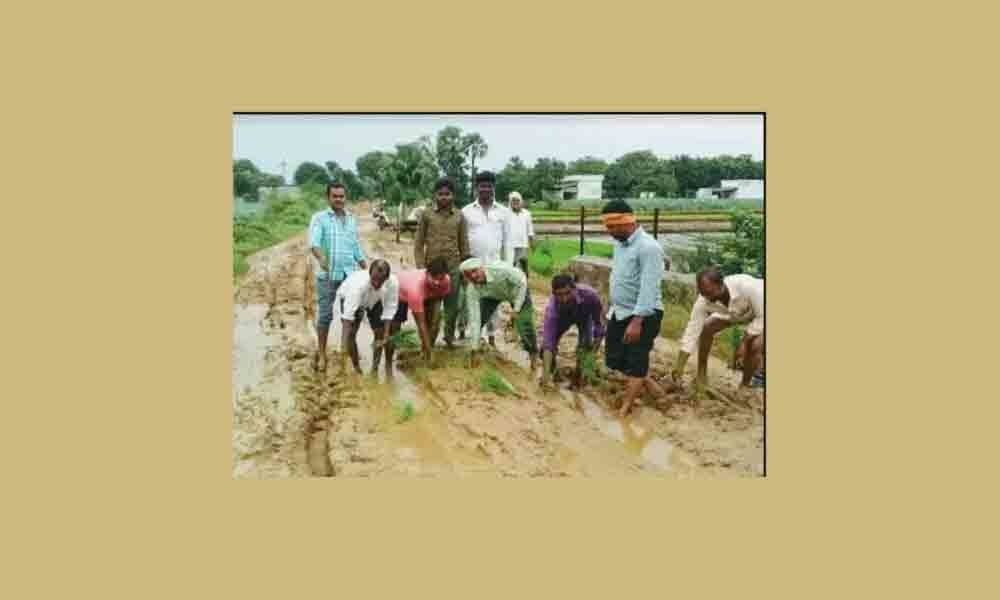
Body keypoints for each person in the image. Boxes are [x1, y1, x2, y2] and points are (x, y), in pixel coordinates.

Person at [601, 199, 667, 417]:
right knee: (613, 358)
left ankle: (625, 408)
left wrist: (637, 321)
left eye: (612, 226)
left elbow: (649, 287)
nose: (608, 231)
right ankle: (646, 381)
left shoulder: (649, 248)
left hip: (643, 314)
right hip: (619, 311)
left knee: (637, 361)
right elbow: (618, 277)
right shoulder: (620, 244)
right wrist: (610, 306)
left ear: (626, 221)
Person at [671, 266, 764, 406]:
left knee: (755, 345)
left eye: (709, 292)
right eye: (702, 293)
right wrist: (679, 366)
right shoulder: (704, 300)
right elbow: (692, 332)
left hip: (761, 312)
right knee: (707, 327)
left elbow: (762, 317)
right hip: (734, 313)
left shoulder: (749, 287)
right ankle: (702, 374)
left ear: (721, 284)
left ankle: (744, 385)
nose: (706, 297)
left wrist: (744, 342)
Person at [309, 182, 367, 372]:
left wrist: (364, 266)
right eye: (335, 196)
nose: (339, 199)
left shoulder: (351, 218)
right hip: (327, 275)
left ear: (345, 197)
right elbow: (314, 243)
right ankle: (322, 353)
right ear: (328, 197)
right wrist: (321, 258)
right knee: (325, 316)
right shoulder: (320, 218)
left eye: (341, 196)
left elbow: (355, 245)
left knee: (351, 315)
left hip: (349, 275)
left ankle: (349, 351)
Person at [413, 178, 470, 349]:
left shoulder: (460, 216)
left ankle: (449, 339)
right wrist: (421, 268)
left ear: (453, 196)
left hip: (453, 269)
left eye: (448, 194)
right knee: (431, 308)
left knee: (452, 308)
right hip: (431, 271)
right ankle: (428, 342)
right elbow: (418, 244)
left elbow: (464, 245)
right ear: (435, 195)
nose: (444, 197)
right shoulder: (427, 215)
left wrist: (465, 271)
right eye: (441, 194)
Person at [459, 258, 538, 371]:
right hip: (492, 296)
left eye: (475, 271)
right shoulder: (472, 289)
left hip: (516, 292)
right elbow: (474, 319)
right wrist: (474, 349)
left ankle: (533, 356)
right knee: (479, 319)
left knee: (524, 325)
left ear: (482, 268)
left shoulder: (500, 270)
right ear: (466, 277)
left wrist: (516, 310)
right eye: (469, 275)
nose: (473, 276)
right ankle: (475, 348)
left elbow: (522, 281)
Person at [461, 171, 511, 347]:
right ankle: (472, 337)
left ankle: (490, 338)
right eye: (482, 186)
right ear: (476, 188)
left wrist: (508, 267)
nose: (485, 189)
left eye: (489, 186)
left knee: (492, 304)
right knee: (472, 303)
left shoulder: (504, 212)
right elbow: (462, 241)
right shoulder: (466, 212)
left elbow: (507, 242)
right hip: (473, 266)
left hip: (495, 265)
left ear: (493, 188)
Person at [539, 274, 606, 388]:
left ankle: (577, 380)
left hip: (584, 318)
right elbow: (548, 342)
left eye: (567, 293)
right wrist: (545, 377)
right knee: (545, 352)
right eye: (559, 295)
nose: (564, 299)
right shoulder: (552, 309)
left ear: (574, 289)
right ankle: (553, 374)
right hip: (562, 318)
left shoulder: (591, 296)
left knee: (585, 348)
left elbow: (599, 326)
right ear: (554, 294)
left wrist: (592, 354)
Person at [334, 260, 399, 378]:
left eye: (381, 280)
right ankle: (356, 367)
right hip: (351, 298)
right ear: (370, 274)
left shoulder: (392, 283)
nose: (376, 283)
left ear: (387, 278)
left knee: (379, 332)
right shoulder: (357, 287)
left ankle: (374, 369)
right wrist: (343, 348)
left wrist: (385, 334)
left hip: (375, 299)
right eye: (374, 279)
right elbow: (347, 319)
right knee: (351, 333)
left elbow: (390, 308)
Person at [392, 257, 452, 363]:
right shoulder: (416, 290)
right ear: (427, 274)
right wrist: (430, 354)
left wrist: (434, 319)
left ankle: (425, 350)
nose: (437, 282)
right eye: (434, 278)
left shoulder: (446, 280)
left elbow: (440, 297)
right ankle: (393, 350)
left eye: (440, 279)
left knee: (434, 322)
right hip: (399, 290)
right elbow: (421, 324)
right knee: (396, 324)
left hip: (427, 293)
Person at [507, 191, 534, 276]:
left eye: (517, 200)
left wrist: (532, 243)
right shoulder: (505, 213)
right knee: (511, 264)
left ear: (521, 201)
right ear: (510, 202)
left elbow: (530, 229)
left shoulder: (527, 214)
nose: (515, 203)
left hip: (523, 243)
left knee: (524, 264)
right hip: (510, 244)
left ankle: (525, 283)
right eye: (513, 201)